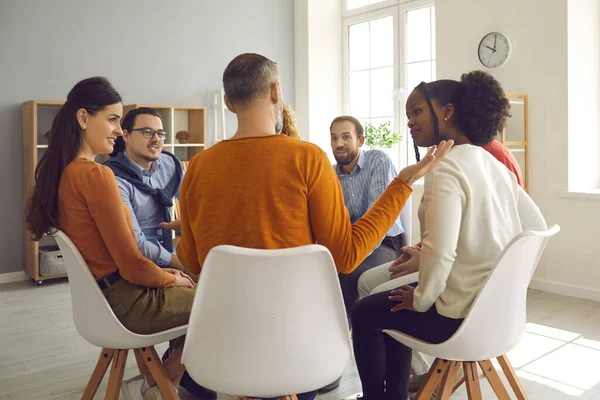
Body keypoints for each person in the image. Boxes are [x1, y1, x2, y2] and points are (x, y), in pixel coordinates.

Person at [175, 53, 453, 400]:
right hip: (297, 348)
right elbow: (347, 256)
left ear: (229, 103)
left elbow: (192, 261)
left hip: (225, 345)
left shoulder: (198, 167)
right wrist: (401, 184)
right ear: (276, 91)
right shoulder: (308, 159)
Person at [350, 71, 547, 400]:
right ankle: (395, 393)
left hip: (457, 317)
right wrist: (423, 264)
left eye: (417, 112)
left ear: (447, 111)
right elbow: (500, 233)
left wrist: (420, 298)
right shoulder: (492, 164)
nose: (410, 122)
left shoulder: (447, 168)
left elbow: (442, 254)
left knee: (364, 312)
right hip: (496, 310)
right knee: (391, 294)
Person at [25, 77, 195, 400]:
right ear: (83, 118)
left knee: (194, 287)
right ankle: (164, 380)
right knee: (220, 303)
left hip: (104, 302)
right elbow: (132, 265)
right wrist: (170, 279)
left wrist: (167, 275)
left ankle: (155, 380)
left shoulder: (65, 174)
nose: (119, 131)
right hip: (128, 302)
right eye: (113, 120)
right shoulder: (96, 175)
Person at [104, 107, 215, 399]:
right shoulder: (114, 179)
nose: (156, 139)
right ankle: (164, 379)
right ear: (125, 136)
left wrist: (190, 231)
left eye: (161, 133)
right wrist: (181, 261)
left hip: (170, 250)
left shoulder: (169, 163)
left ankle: (184, 374)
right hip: (141, 266)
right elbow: (137, 244)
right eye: (147, 132)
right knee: (218, 302)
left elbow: (187, 205)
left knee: (221, 283)